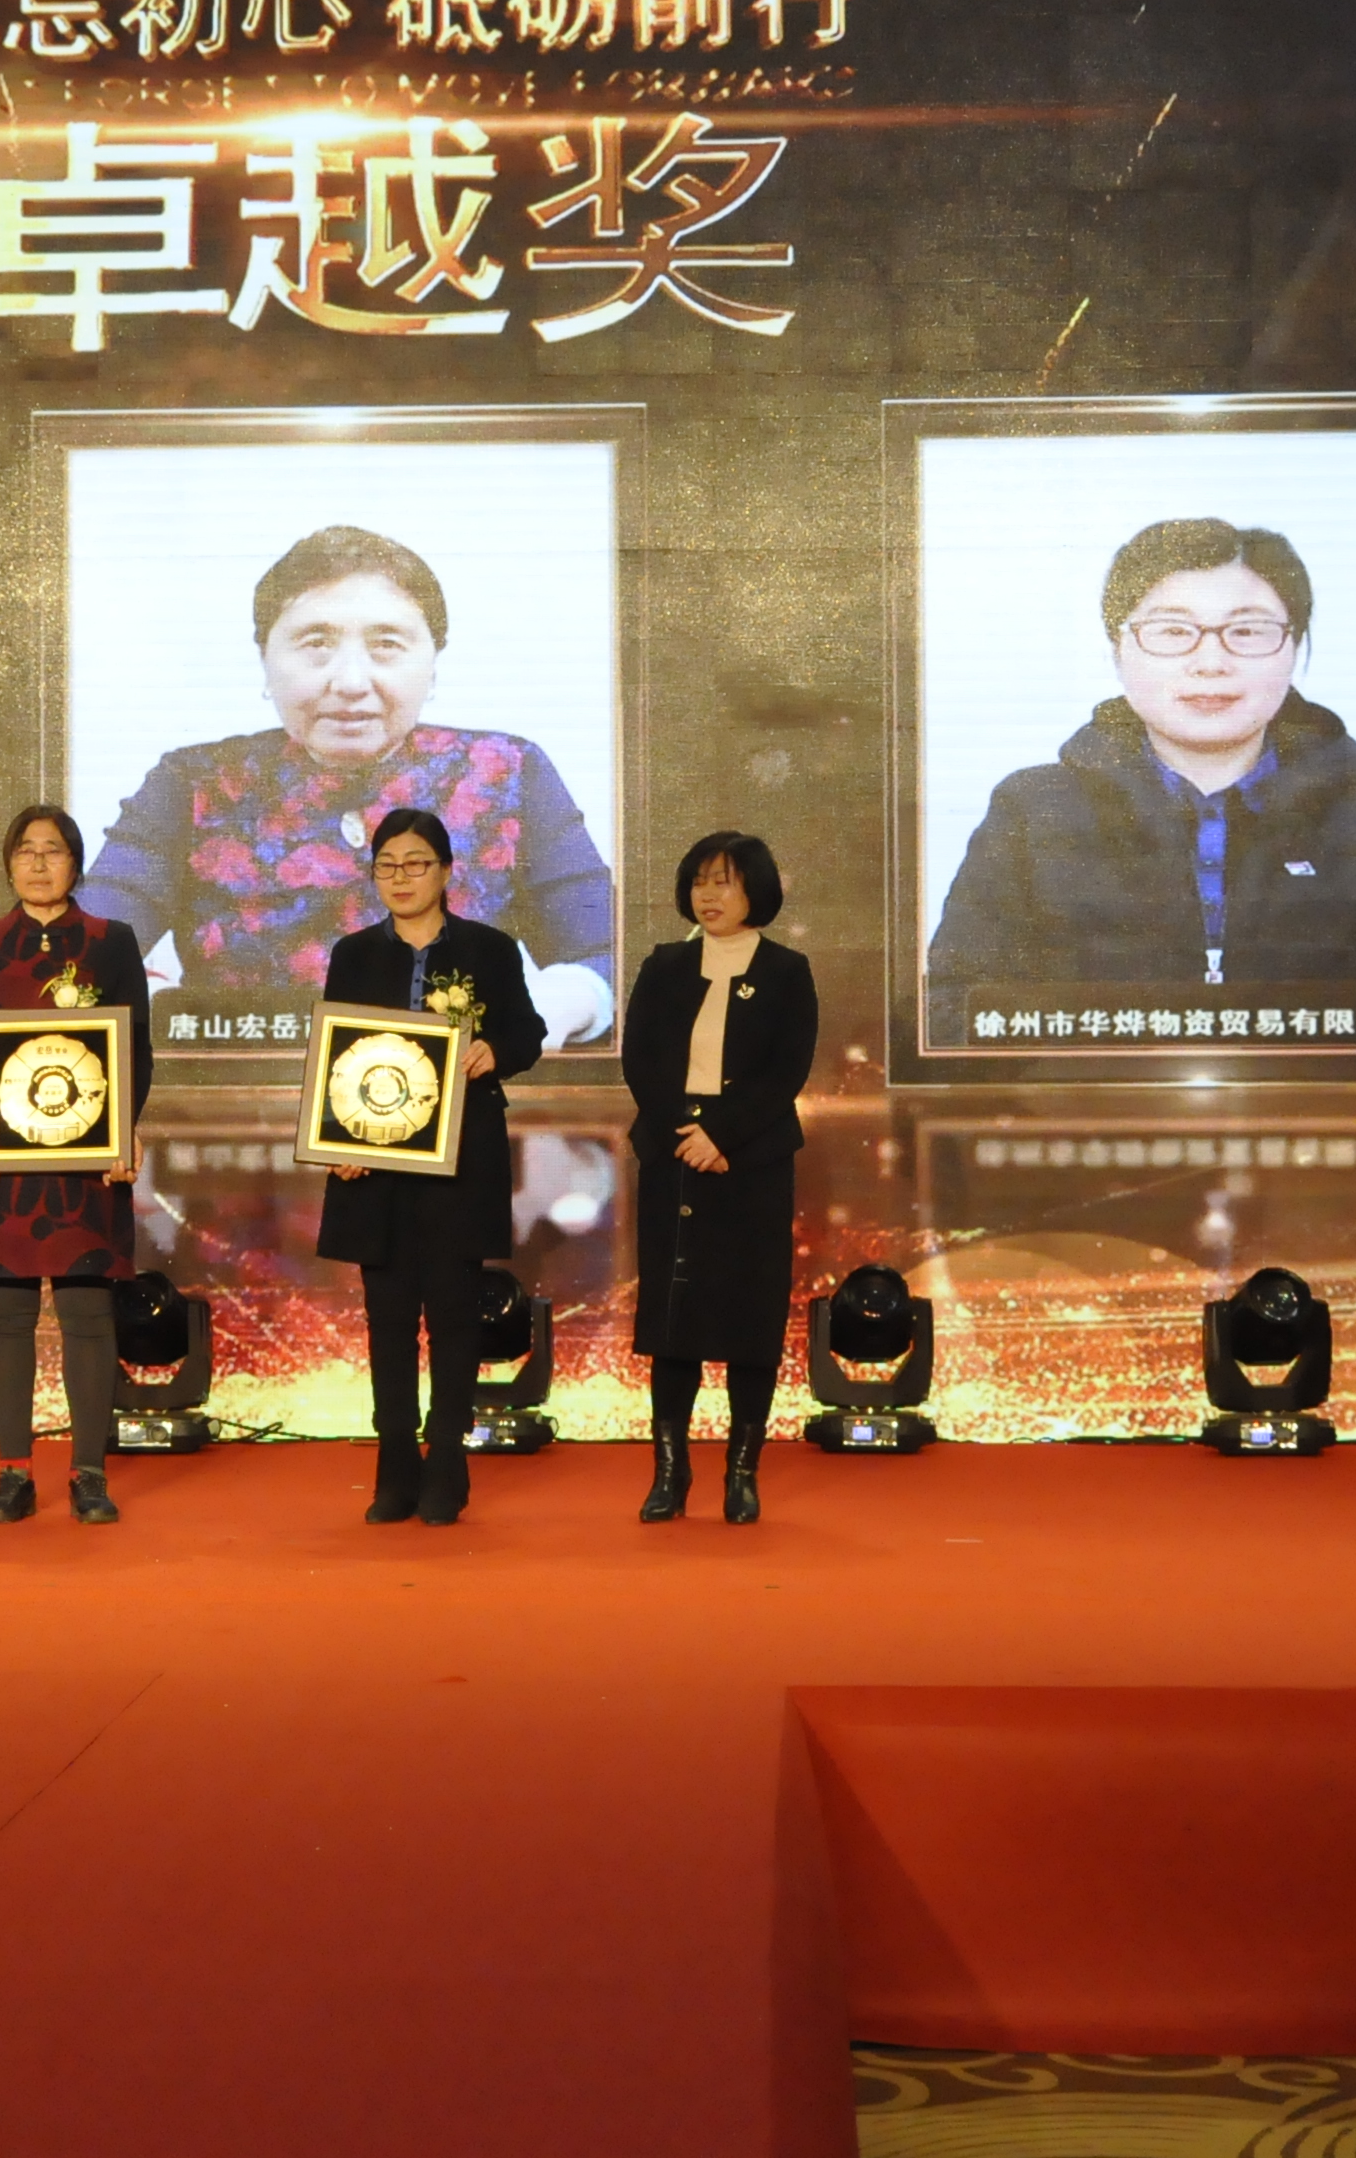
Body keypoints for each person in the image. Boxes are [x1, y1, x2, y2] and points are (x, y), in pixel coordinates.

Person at [926, 518, 1356, 1046]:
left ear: (1294, 647)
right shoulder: (1034, 810)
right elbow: (954, 1011)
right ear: (1117, 650)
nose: (1211, 661)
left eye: (1247, 630)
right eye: (1173, 631)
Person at [81, 523, 617, 1049]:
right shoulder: (192, 784)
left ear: (433, 664)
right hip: (246, 1096)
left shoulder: (509, 774)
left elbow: (607, 953)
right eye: (316, 643)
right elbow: (81, 953)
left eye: (387, 644)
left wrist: (560, 1000)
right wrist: (142, 998)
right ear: (265, 660)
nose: (352, 682)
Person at [312, 807, 546, 1527]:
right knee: (387, 1318)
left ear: (446, 870)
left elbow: (527, 1032)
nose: (401, 877)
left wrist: (494, 1050)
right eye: (387, 865)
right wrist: (337, 1140)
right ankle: (394, 1465)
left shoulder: (489, 949)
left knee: (453, 1315)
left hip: (460, 1159)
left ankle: (446, 1459)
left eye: (416, 863)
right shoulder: (354, 953)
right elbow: (337, 1056)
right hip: (375, 1162)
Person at [0, 804, 156, 1526]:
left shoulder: (112, 943)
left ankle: (89, 1473)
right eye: (25, 850)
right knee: (8, 1315)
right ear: (8, 864)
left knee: (88, 1313)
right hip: (3, 1161)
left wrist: (122, 1130)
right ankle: (13, 1474)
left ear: (75, 863)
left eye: (52, 850)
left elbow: (134, 1051)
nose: (37, 862)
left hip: (86, 1160)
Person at [617, 831, 819, 1526]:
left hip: (751, 1163)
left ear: (755, 890)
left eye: (724, 881)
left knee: (749, 1317)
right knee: (674, 1317)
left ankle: (741, 1473)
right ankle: (669, 1473)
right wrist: (687, 1135)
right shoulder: (664, 965)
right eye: (700, 881)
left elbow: (787, 1070)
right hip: (673, 1154)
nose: (710, 895)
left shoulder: (787, 971)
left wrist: (724, 1137)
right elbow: (641, 1059)